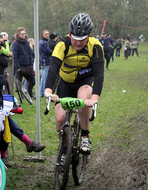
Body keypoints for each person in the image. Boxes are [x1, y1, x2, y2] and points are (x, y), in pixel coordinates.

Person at [45, 13, 104, 154]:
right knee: (60, 118)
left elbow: (99, 75)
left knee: (83, 101)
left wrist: (94, 100)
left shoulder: (95, 46)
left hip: (85, 81)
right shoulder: (62, 44)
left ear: (89, 35)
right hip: (65, 82)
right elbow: (53, 69)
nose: (78, 43)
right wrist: (48, 91)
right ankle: (63, 147)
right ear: (69, 34)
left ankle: (84, 135)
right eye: (75, 39)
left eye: (82, 39)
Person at [0, 35, 46, 167]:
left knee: (5, 121)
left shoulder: (2, 49)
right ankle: (26, 144)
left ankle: (8, 154)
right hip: (0, 89)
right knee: (4, 122)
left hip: (1, 91)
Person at [12, 27, 35, 99]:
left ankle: (30, 95)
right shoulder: (15, 44)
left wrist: (31, 63)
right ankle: (21, 96)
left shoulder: (27, 42)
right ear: (18, 35)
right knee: (19, 83)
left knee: (33, 81)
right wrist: (18, 67)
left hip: (28, 66)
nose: (24, 35)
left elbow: (30, 53)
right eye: (22, 34)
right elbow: (15, 56)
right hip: (20, 66)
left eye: (24, 33)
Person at [39, 29, 52, 97]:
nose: (47, 35)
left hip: (44, 61)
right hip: (45, 61)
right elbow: (48, 51)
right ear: (42, 35)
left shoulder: (44, 42)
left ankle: (41, 92)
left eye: (48, 34)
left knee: (43, 77)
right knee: (45, 78)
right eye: (46, 34)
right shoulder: (43, 43)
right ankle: (43, 92)